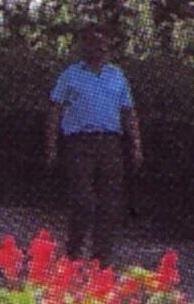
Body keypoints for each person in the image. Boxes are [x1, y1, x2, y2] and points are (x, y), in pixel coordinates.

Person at [45, 23, 141, 259]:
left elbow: (129, 112)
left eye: (102, 43)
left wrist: (137, 145)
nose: (98, 48)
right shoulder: (70, 75)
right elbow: (55, 111)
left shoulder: (116, 76)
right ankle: (74, 254)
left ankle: (102, 259)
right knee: (82, 200)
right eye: (92, 42)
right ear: (83, 45)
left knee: (109, 202)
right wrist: (51, 147)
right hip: (79, 142)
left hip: (109, 142)